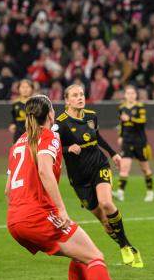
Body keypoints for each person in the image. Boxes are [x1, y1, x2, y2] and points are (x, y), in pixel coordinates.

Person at [5, 94, 141, 280]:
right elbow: (46, 171)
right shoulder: (49, 136)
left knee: (80, 257)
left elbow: (7, 190)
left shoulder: (17, 144)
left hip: (15, 219)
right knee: (96, 257)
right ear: (50, 115)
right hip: (37, 216)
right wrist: (59, 208)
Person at [55, 84, 143, 268]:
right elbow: (51, 146)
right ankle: (125, 245)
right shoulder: (61, 123)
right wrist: (67, 148)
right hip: (79, 178)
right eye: (75, 95)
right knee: (104, 221)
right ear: (66, 100)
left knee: (106, 203)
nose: (80, 97)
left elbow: (98, 136)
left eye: (82, 94)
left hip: (98, 165)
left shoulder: (91, 116)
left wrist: (113, 154)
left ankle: (125, 246)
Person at [114, 86, 154, 203]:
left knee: (145, 168)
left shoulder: (140, 107)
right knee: (124, 167)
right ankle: (120, 192)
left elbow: (142, 121)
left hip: (139, 141)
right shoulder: (121, 107)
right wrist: (120, 136)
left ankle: (150, 192)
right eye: (128, 93)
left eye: (132, 93)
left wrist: (130, 118)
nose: (130, 95)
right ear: (125, 95)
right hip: (127, 140)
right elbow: (121, 123)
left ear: (136, 95)